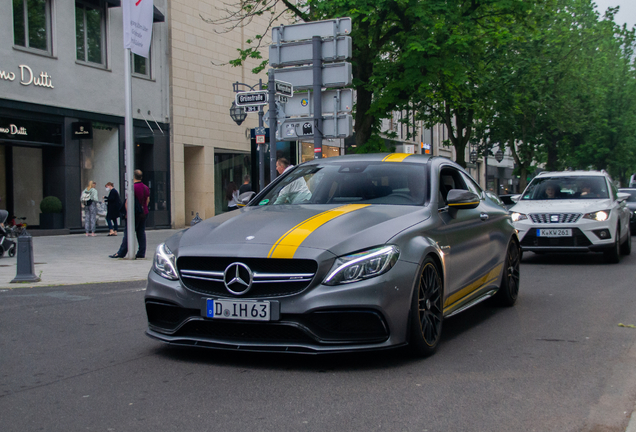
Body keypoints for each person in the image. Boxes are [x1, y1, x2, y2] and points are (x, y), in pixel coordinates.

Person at [109, 170, 150, 259]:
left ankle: (121, 252)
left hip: (134, 213)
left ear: (133, 177)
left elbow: (128, 202)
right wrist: (143, 209)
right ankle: (141, 252)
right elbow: (147, 200)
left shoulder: (132, 188)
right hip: (143, 213)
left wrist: (128, 213)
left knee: (128, 232)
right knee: (141, 233)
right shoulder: (145, 187)